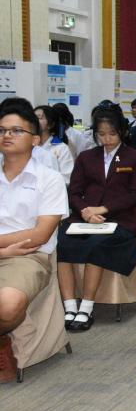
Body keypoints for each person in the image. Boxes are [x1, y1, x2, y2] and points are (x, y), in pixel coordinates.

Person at [57, 108, 136, 332]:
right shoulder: (86, 157)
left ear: (121, 132)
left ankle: (87, 307)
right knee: (62, 243)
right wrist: (86, 211)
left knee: (96, 245)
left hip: (120, 220)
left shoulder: (134, 157)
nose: (107, 139)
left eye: (112, 134)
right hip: (84, 218)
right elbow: (74, 192)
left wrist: (104, 209)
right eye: (101, 134)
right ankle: (70, 306)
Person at [0, 104, 68, 383]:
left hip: (28, 256)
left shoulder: (49, 179)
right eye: (2, 130)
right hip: (9, 249)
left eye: (16, 130)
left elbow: (39, 235)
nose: (7, 135)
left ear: (36, 140)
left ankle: (2, 340)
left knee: (7, 305)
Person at [32, 105, 75, 183]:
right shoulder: (27, 146)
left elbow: (67, 178)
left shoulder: (61, 148)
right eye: (32, 117)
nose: (34, 121)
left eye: (39, 118)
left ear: (50, 124)